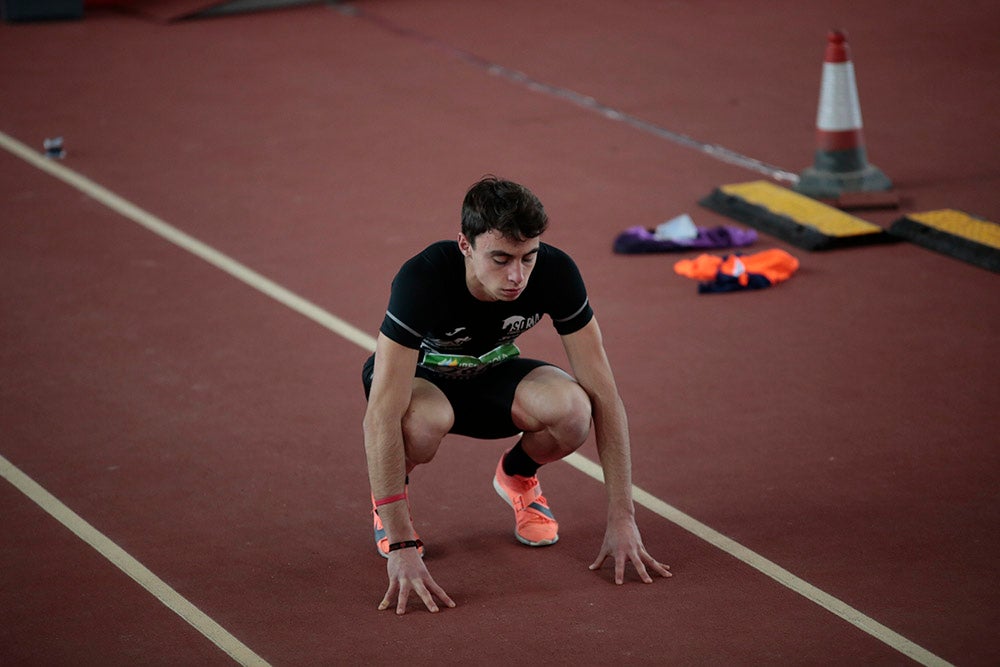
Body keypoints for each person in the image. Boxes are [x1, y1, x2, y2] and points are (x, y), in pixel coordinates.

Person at [361, 176, 671, 614]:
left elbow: (607, 394)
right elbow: (379, 417)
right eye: (501, 258)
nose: (516, 277)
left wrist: (623, 518)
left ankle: (517, 476)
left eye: (528, 258)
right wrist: (402, 544)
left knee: (575, 411)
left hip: (491, 376)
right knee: (420, 423)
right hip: (422, 382)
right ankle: (389, 506)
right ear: (465, 245)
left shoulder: (556, 272)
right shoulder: (423, 278)